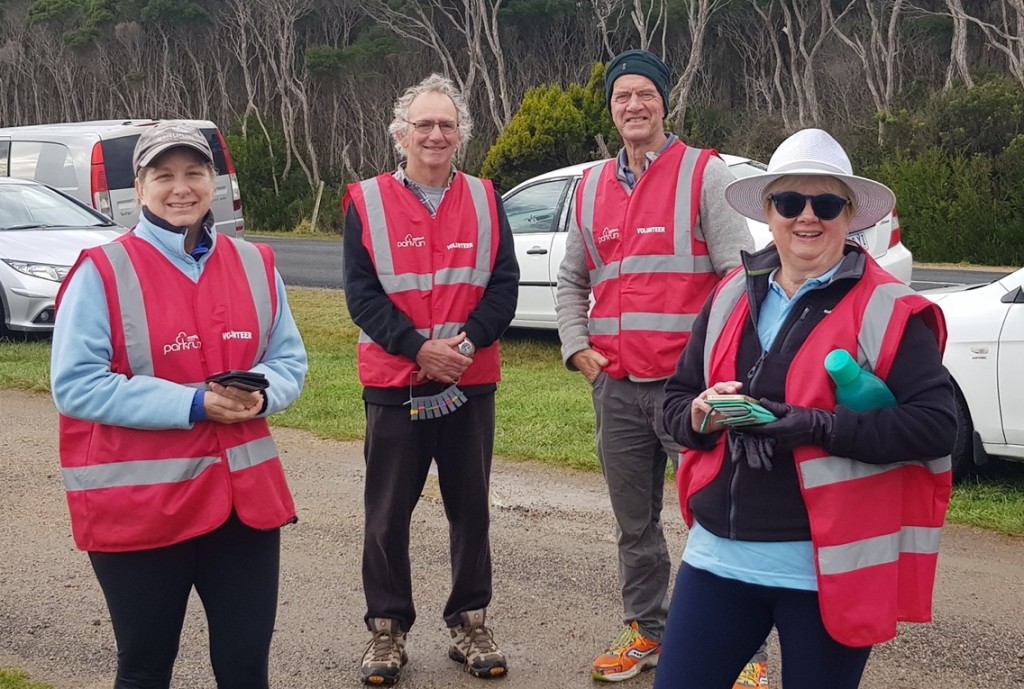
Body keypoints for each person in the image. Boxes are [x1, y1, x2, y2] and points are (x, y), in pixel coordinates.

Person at [656, 128, 957, 689]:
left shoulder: (889, 307)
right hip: (718, 559)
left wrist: (819, 427)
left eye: (826, 204)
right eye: (790, 202)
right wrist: (700, 414)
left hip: (827, 570)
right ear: (769, 212)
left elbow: (939, 428)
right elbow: (674, 402)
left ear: (851, 215)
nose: (807, 217)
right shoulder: (729, 294)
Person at [51, 120, 308, 689]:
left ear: (214, 181)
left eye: (195, 172)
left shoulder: (255, 262)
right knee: (145, 670)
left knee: (246, 670)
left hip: (243, 507)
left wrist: (261, 393)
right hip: (141, 508)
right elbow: (76, 385)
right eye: (163, 175)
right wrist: (194, 403)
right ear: (139, 188)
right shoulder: (102, 271)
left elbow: (288, 359)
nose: (181, 188)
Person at [555, 49, 766, 685]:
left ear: (664, 103)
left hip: (687, 394)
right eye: (622, 96)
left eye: (645, 94)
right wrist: (577, 348)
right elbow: (572, 279)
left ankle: (746, 657)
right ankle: (647, 630)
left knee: (717, 518)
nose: (634, 105)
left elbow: (739, 279)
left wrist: (713, 369)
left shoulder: (704, 173)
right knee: (634, 524)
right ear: (611, 108)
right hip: (616, 388)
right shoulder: (590, 186)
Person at [342, 73, 519, 686]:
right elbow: (362, 296)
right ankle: (386, 629)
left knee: (470, 510)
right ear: (401, 134)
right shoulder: (365, 201)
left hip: (469, 379)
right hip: (395, 382)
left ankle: (470, 622)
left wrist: (462, 347)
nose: (435, 135)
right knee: (387, 514)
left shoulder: (487, 198)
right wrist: (418, 348)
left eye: (447, 124)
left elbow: (504, 287)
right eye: (424, 124)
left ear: (461, 134)